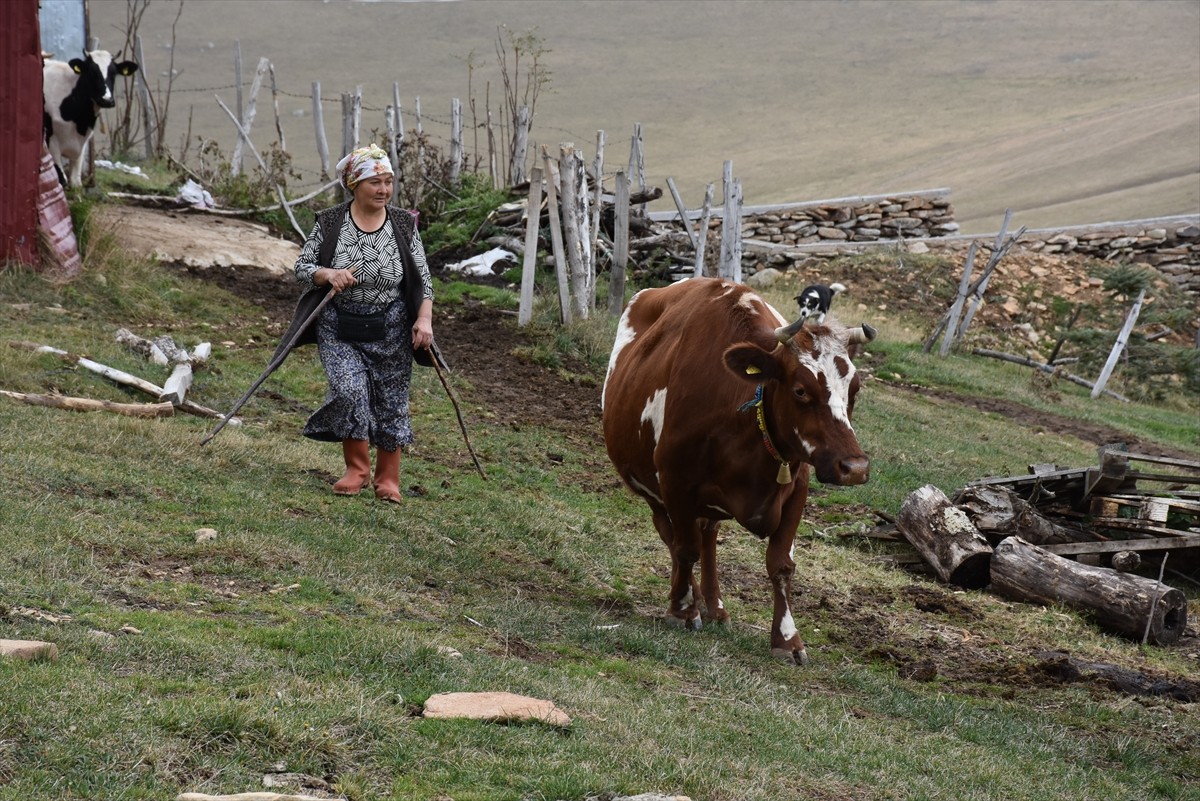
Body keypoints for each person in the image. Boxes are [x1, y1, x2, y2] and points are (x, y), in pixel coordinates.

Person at [293, 143, 434, 503]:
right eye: (375, 182)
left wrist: (424, 319)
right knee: (349, 391)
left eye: (388, 181)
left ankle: (388, 480)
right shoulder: (330, 221)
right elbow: (302, 268)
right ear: (354, 185)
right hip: (339, 325)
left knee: (392, 400)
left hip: (391, 325)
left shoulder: (403, 223)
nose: (384, 190)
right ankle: (357, 470)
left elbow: (423, 277)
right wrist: (328, 274)